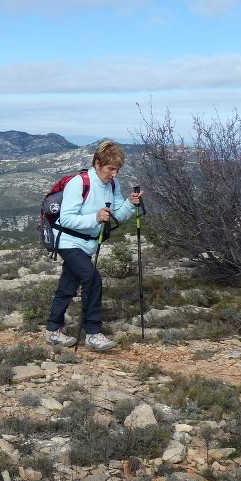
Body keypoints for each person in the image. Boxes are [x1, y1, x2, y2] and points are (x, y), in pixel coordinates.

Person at [44, 140, 143, 351]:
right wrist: (96, 218)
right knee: (92, 278)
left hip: (87, 244)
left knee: (68, 284)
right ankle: (93, 333)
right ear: (98, 163)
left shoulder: (112, 185)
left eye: (117, 169)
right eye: (111, 169)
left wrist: (129, 203)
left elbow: (116, 217)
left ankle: (53, 329)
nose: (114, 174)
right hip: (68, 240)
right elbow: (67, 218)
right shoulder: (79, 183)